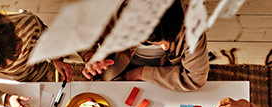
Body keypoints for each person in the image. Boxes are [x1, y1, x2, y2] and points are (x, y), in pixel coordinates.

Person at [81, 0, 209, 92]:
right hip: (116, 64)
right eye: (156, 42)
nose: (165, 48)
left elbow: (195, 78)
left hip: (167, 73)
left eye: (170, 39)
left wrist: (143, 73)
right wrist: (89, 56)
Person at [0, 8, 73, 107]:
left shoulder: (29, 24)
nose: (13, 63)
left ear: (16, 32)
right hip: (16, 84)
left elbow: (47, 40)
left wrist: (56, 59)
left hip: (43, 70)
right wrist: (6, 99)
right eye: (3, 66)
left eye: (16, 54)